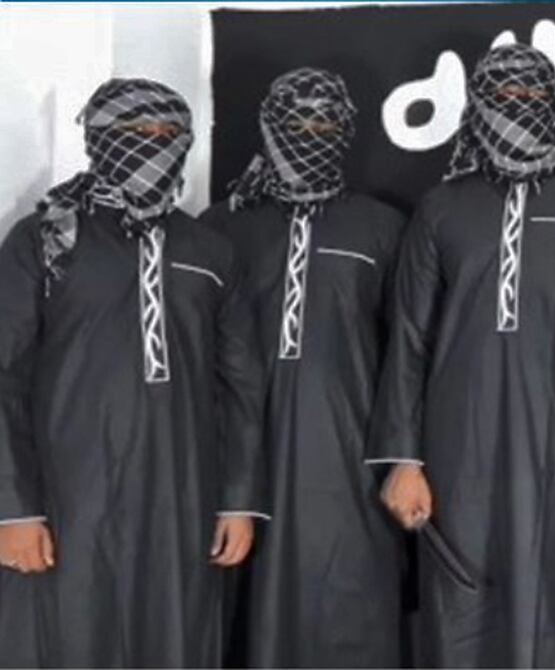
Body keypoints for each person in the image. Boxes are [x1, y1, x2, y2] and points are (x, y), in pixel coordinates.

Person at [0, 78, 267, 667]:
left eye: (168, 132)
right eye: (135, 131)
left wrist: (238, 501)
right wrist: (14, 508)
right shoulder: (46, 241)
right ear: (98, 137)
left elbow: (242, 388)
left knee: (174, 634)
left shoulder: (210, 251)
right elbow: (4, 375)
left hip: (181, 492)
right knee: (67, 635)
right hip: (68, 492)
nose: (154, 143)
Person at [369, 43, 555, 667]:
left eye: (532, 95)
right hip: (460, 450)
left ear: (554, 103)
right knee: (464, 609)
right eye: (504, 96)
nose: (518, 107)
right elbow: (410, 336)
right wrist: (403, 459)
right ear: (477, 104)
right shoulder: (442, 207)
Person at [203, 66, 406, 667]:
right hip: (239, 455)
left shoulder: (382, 227)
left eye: (325, 123)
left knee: (352, 596)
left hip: (349, 451)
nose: (310, 134)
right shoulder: (222, 227)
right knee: (237, 604)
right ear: (268, 125)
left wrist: (402, 456)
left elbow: (405, 351)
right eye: (297, 122)